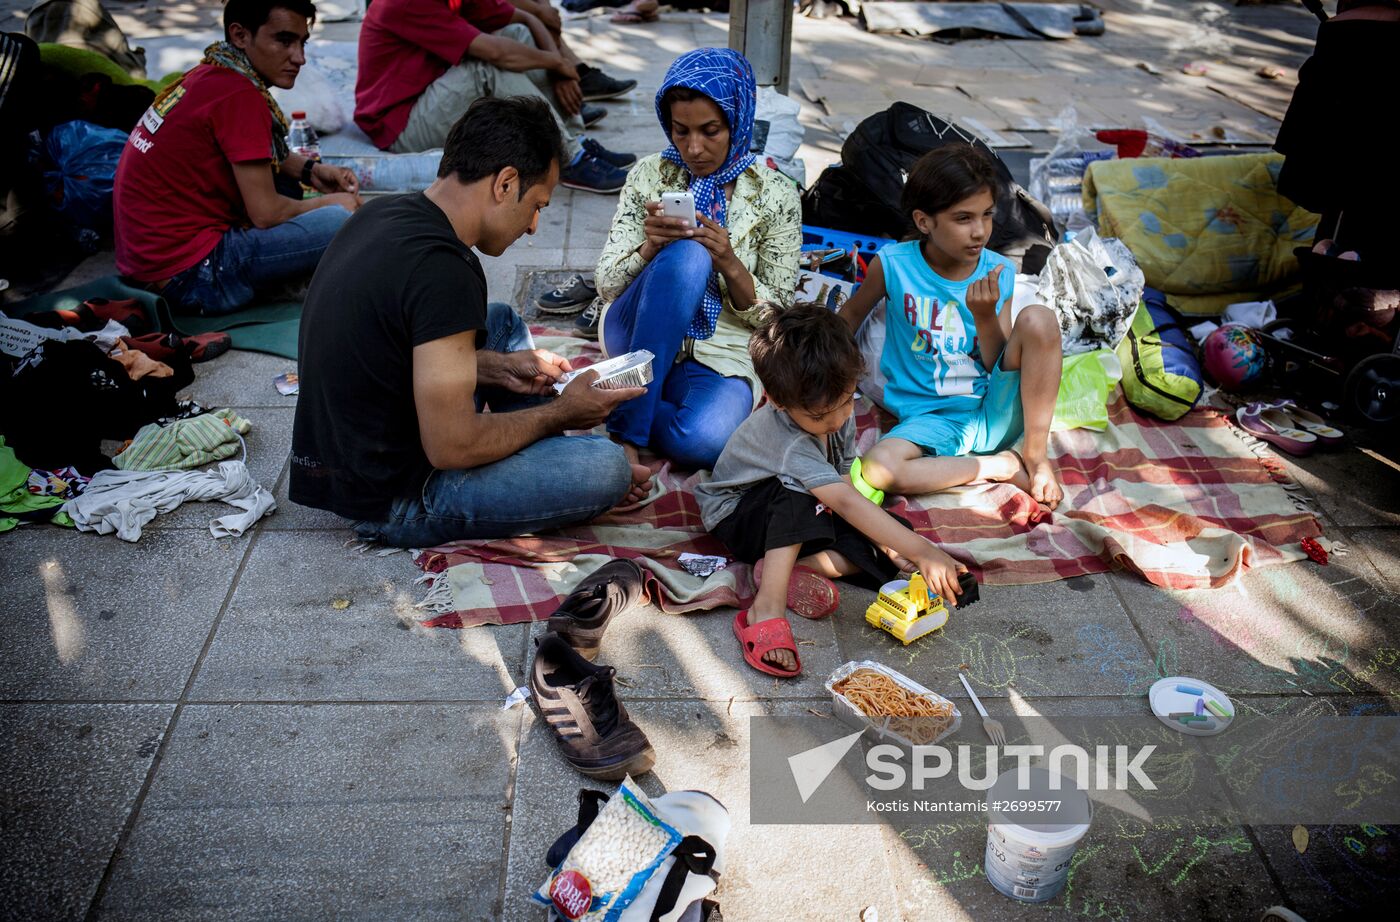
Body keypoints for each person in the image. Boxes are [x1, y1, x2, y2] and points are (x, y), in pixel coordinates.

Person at [291, 97, 650, 546]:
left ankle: (531, 447)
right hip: (392, 497)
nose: (535, 225)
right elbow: (451, 447)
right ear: (505, 183)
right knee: (607, 467)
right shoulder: (445, 269)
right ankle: (544, 448)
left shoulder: (385, 213)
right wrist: (562, 413)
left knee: (497, 324)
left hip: (341, 459)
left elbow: (388, 345)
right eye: (537, 204)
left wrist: (493, 367)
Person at [697, 304, 967, 678]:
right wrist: (923, 551)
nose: (838, 420)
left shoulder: (832, 403)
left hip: (805, 512)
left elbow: (842, 483)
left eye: (845, 403)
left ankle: (790, 569)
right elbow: (840, 498)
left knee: (892, 537)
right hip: (742, 517)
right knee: (801, 495)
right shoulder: (788, 439)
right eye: (820, 417)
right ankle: (767, 607)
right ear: (776, 401)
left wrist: (899, 546)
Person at [584, 47, 801, 470]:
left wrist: (731, 263)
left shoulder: (776, 193)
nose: (694, 148)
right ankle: (626, 432)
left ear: (738, 121)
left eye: (710, 130)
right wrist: (650, 249)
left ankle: (617, 400)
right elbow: (608, 284)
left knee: (703, 441)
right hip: (635, 328)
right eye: (680, 131)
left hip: (722, 346)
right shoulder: (649, 174)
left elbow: (781, 317)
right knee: (688, 257)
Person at [837, 144, 1065, 510]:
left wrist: (985, 317)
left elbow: (997, 365)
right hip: (931, 419)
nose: (980, 231)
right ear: (924, 221)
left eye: (987, 215)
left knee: (1039, 318)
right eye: (964, 219)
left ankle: (1035, 456)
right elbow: (849, 318)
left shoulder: (998, 272)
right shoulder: (894, 265)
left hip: (993, 411)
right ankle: (1000, 466)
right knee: (878, 468)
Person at [113, 0, 360, 315]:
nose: (299, 57)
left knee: (288, 185)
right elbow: (266, 214)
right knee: (344, 222)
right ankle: (274, 282)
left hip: (147, 263)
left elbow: (256, 151)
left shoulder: (212, 72)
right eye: (284, 40)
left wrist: (312, 170)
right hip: (192, 278)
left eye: (302, 42)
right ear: (240, 35)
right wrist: (331, 204)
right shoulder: (240, 96)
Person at [354, 0, 633, 193]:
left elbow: (525, 19)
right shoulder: (406, 4)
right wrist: (558, 63)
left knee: (518, 35)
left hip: (428, 93)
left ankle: (576, 142)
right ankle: (569, 159)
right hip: (399, 124)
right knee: (486, 69)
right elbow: (494, 52)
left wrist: (561, 70)